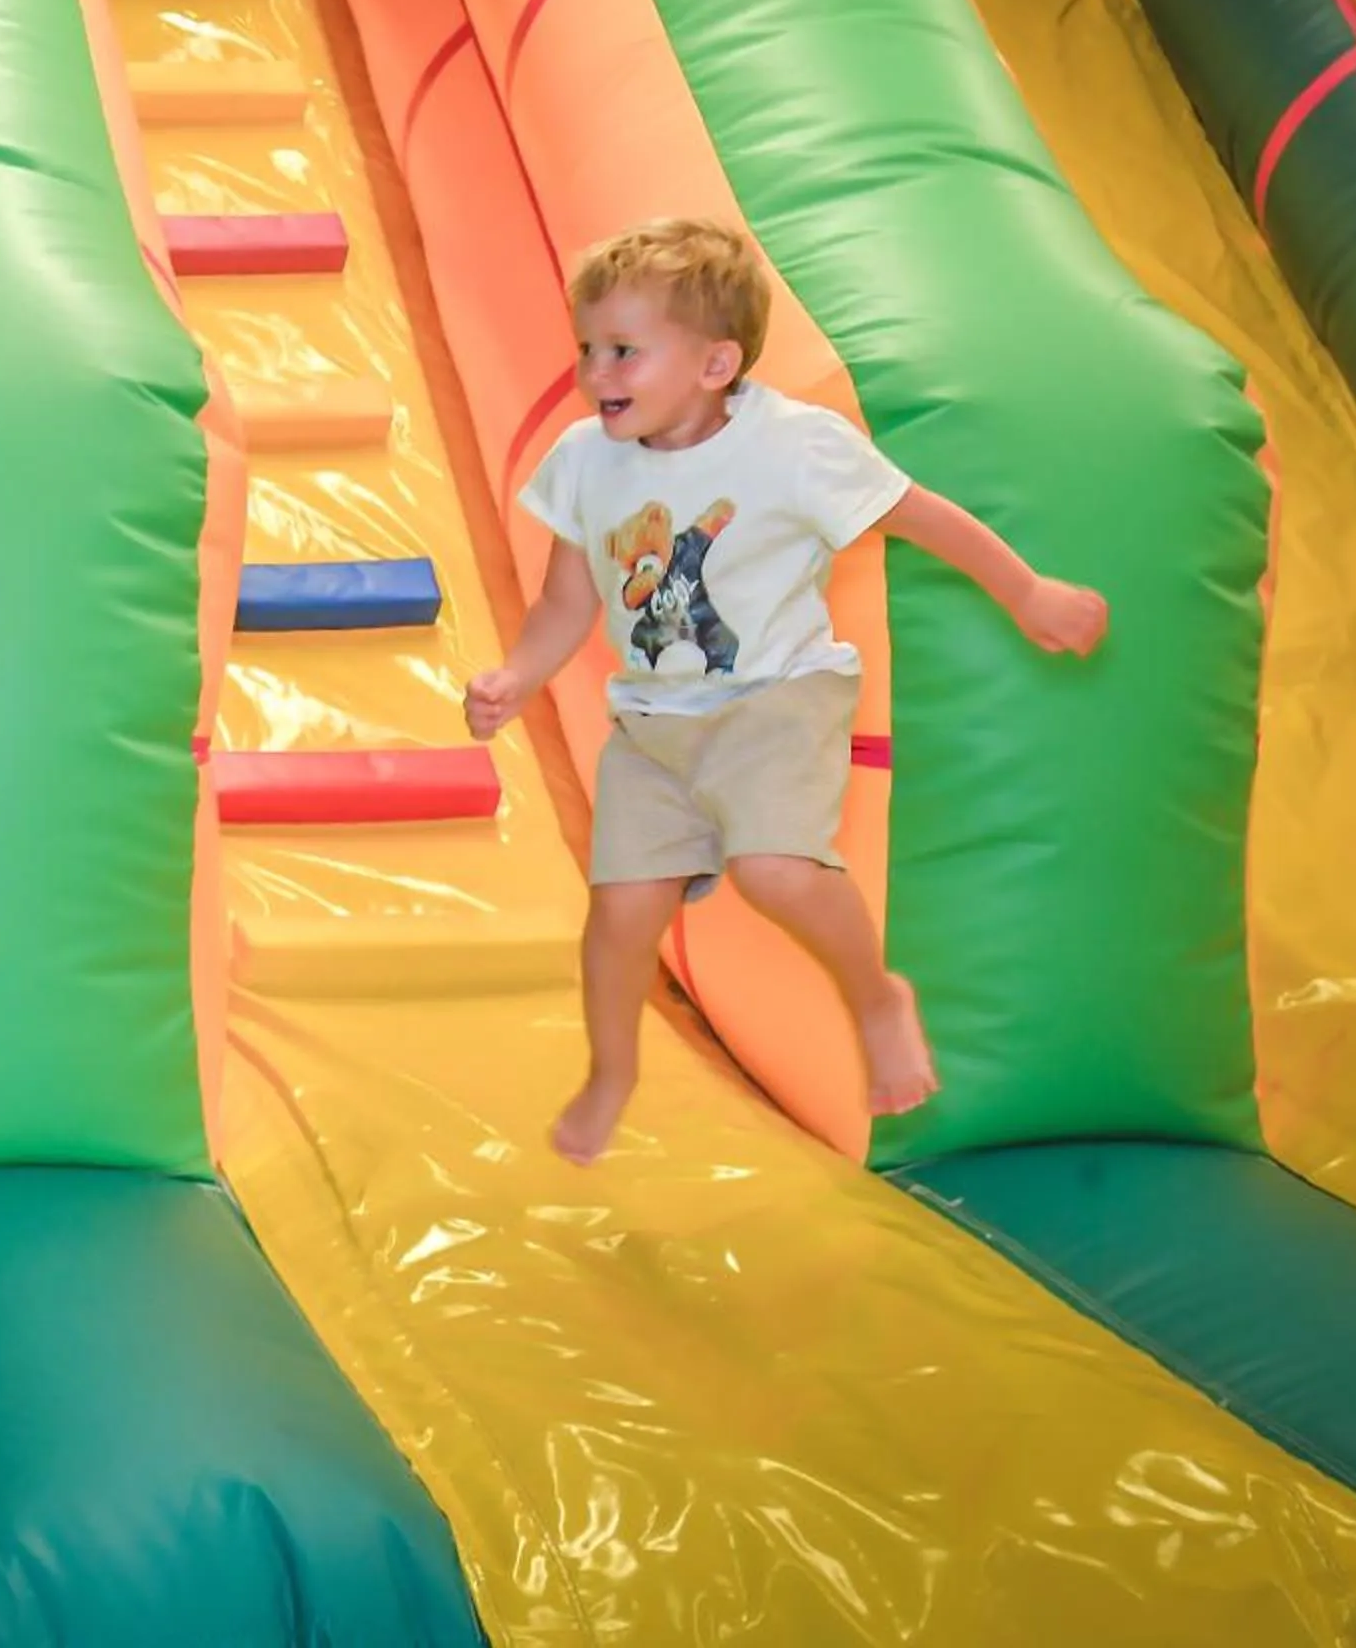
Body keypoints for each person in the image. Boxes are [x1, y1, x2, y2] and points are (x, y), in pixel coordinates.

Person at [463, 218, 1107, 1165]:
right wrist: (519, 675)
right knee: (620, 918)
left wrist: (1026, 591)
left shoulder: (794, 447)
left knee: (774, 870)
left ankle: (878, 999)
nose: (596, 372)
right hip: (653, 725)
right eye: (589, 348)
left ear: (717, 362)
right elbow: (568, 595)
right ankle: (612, 1071)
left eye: (625, 351)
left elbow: (921, 517)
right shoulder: (584, 461)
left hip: (776, 697)